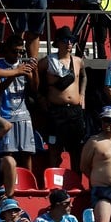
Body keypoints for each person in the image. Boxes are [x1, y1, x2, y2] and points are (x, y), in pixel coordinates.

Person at [38, 26, 87, 174]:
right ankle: (53, 182)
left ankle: (76, 181)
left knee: (76, 148)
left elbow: (84, 76)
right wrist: (41, 98)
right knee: (54, 148)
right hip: (56, 111)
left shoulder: (78, 61)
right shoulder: (46, 62)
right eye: (66, 40)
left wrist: (82, 94)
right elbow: (36, 82)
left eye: (71, 40)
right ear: (58, 42)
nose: (69, 44)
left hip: (75, 111)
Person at [0, 34, 38, 172]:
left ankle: (31, 181)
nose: (18, 54)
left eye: (21, 51)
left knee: (27, 153)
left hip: (23, 114)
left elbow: (35, 89)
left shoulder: (23, 66)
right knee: (7, 153)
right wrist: (14, 74)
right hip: (5, 114)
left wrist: (34, 72)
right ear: (6, 50)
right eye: (15, 51)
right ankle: (6, 182)